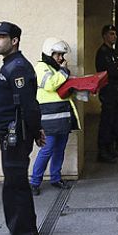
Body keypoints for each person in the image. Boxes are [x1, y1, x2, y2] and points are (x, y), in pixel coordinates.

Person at [0, 21, 45, 235]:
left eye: (0, 37)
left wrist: (35, 129)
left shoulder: (17, 67)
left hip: (14, 135)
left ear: (14, 40)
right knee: (19, 183)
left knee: (14, 188)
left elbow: (29, 106)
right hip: (14, 132)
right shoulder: (12, 64)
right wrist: (36, 129)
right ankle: (28, 229)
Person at [30, 38, 80, 195]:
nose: (61, 58)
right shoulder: (41, 68)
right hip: (49, 120)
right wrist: (64, 71)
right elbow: (51, 84)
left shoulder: (55, 69)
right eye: (58, 55)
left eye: (62, 55)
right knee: (47, 150)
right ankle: (34, 182)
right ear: (49, 53)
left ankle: (55, 178)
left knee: (60, 150)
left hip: (62, 117)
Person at [95, 25, 118, 163]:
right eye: (111, 34)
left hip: (115, 90)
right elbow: (112, 71)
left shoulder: (112, 51)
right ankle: (102, 151)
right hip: (108, 90)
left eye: (115, 34)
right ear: (104, 36)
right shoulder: (103, 52)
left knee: (113, 121)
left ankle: (110, 148)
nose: (114, 36)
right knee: (106, 121)